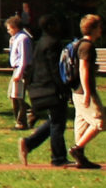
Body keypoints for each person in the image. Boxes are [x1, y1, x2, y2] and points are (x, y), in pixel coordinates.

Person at [18, 19, 71, 168]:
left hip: (41, 86)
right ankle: (58, 157)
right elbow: (56, 69)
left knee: (55, 121)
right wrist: (64, 88)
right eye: (56, 24)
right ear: (50, 26)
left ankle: (29, 143)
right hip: (52, 88)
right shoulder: (53, 43)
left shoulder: (40, 43)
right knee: (57, 123)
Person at [70, 14, 106, 169]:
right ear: (93, 29)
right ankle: (77, 149)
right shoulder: (87, 46)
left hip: (76, 90)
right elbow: (83, 68)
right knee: (100, 122)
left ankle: (81, 158)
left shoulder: (79, 44)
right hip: (84, 91)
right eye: (99, 27)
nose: (101, 30)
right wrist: (87, 92)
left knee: (82, 123)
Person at [6, 13, 34, 129]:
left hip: (22, 69)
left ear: (15, 27)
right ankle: (29, 112)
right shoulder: (15, 38)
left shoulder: (23, 39)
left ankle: (22, 121)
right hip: (16, 69)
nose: (8, 31)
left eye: (9, 28)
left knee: (18, 96)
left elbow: (24, 58)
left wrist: (19, 73)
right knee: (12, 95)